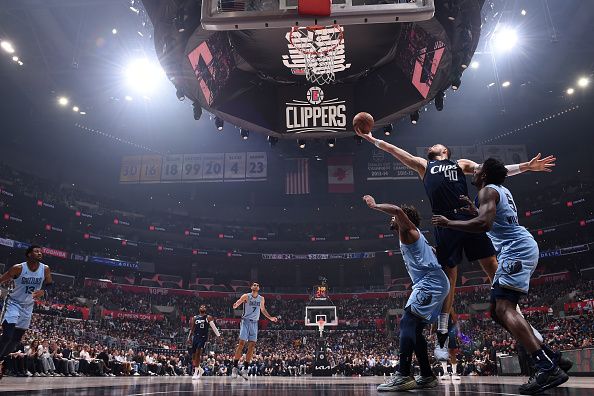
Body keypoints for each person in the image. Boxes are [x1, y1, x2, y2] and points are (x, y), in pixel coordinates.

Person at [355, 128, 555, 344]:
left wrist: (526, 166)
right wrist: (372, 139)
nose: (431, 146)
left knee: (492, 266)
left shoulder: (461, 164)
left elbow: (493, 172)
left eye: (436, 145)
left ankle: (518, 316)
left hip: (468, 218)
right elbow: (394, 150)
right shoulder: (423, 165)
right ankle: (442, 324)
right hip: (445, 222)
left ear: (445, 151)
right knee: (449, 276)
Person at [431, 158, 568, 394]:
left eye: (478, 168)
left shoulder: (487, 192)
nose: (473, 171)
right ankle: (551, 357)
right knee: (496, 311)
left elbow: (484, 224)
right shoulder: (495, 190)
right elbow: (492, 219)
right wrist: (474, 211)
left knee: (505, 309)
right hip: (516, 249)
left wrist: (449, 223)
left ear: (483, 175)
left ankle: (547, 366)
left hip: (516, 251)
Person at [363, 195, 449, 391]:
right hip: (432, 281)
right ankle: (427, 375)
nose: (391, 220)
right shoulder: (414, 234)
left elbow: (397, 210)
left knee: (407, 322)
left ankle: (403, 374)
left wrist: (375, 205)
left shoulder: (407, 230)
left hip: (430, 282)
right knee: (415, 329)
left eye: (394, 219)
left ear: (403, 220)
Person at [0, 245, 53, 379]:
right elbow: (2, 279)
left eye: (41, 251)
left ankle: (0, 360)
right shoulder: (18, 268)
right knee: (7, 335)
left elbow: (50, 285)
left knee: (16, 340)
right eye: (36, 251)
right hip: (13, 303)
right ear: (29, 254)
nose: (40, 253)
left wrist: (44, 291)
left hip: (28, 306)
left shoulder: (45, 269)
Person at [231, 282, 278, 380]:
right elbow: (238, 302)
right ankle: (235, 368)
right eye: (254, 285)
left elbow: (263, 310)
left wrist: (270, 318)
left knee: (252, 346)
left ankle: (245, 370)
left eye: (257, 285)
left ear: (259, 288)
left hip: (255, 323)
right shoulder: (246, 296)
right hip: (245, 321)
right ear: (251, 287)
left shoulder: (261, 298)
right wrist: (236, 305)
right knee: (241, 344)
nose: (256, 286)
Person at [187, 304, 220, 379]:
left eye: (204, 307)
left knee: (198, 352)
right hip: (195, 337)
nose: (202, 307)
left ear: (206, 309)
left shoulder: (208, 317)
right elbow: (192, 329)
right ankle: (200, 370)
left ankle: (196, 372)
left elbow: (214, 328)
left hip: (203, 337)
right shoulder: (195, 318)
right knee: (193, 356)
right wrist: (189, 337)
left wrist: (219, 337)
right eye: (201, 306)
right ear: (199, 309)